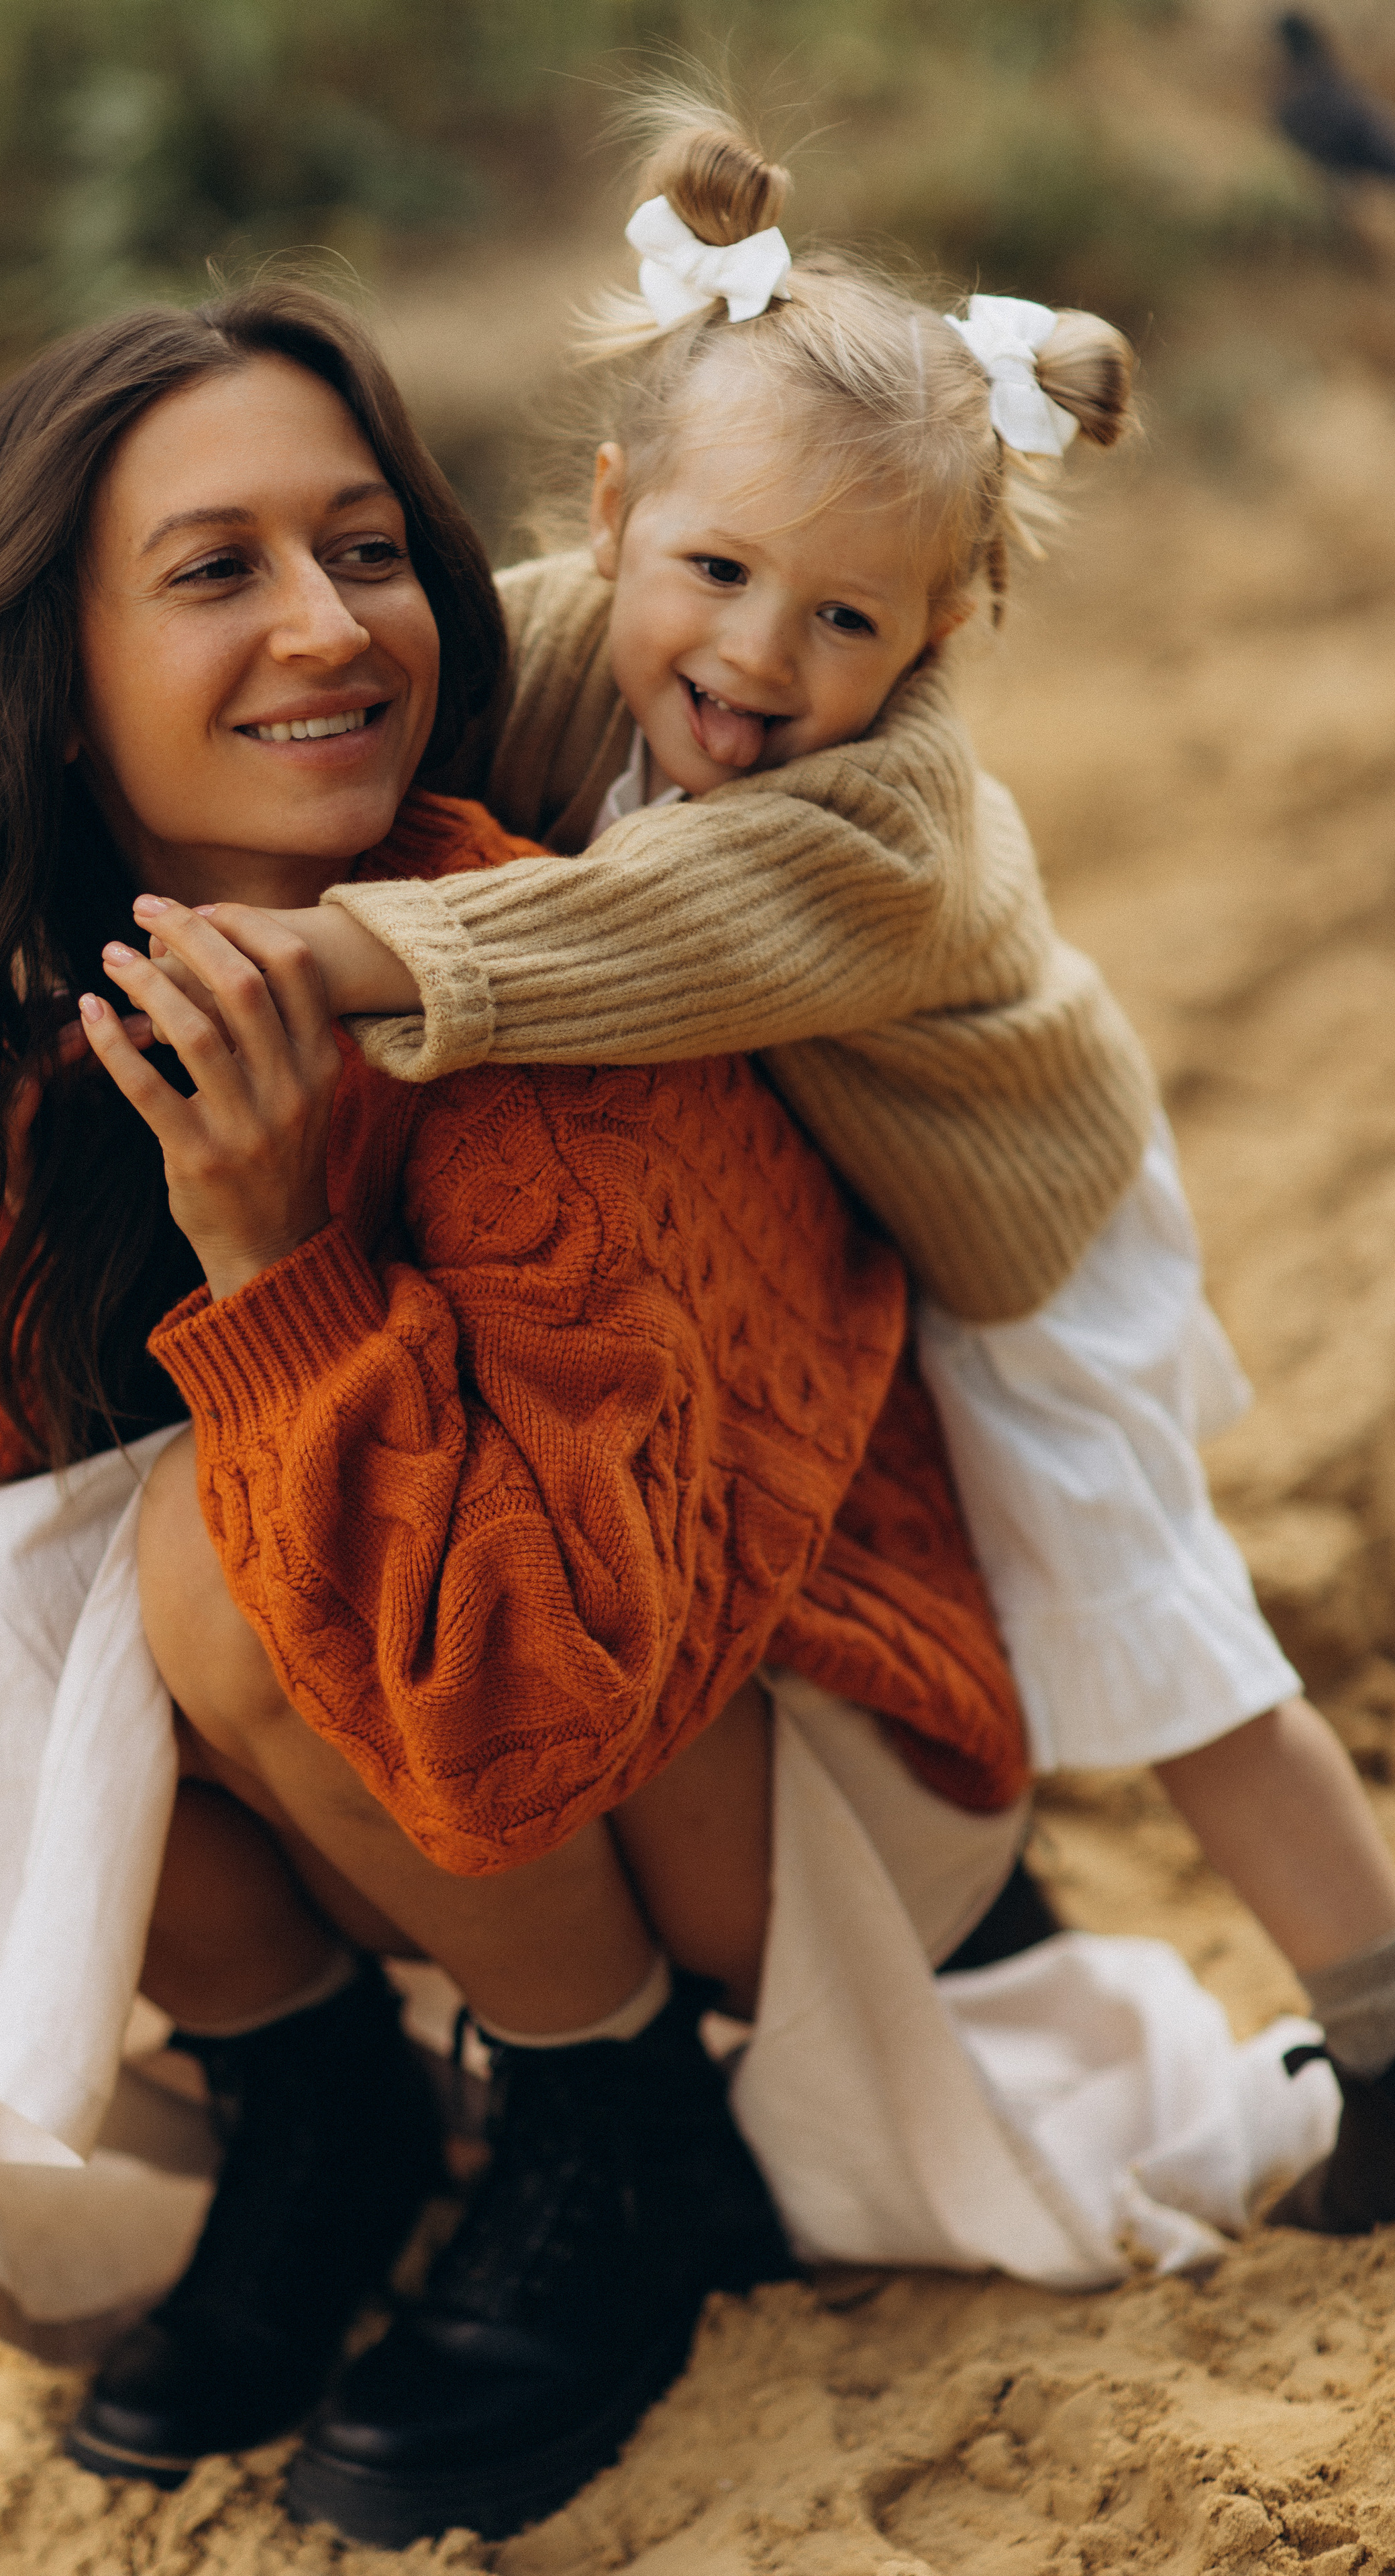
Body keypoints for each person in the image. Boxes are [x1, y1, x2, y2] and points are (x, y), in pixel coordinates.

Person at [0, 281, 1041, 2548]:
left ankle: (610, 2138)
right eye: (218, 568)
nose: (329, 627)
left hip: (798, 1764)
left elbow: (532, 1689)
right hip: (492, 1728)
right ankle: (325, 2114)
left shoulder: (541, 974)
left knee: (202, 1559)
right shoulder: (61, 980)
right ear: (51, 680)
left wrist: (270, 1262)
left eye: (363, 549)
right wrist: (66, 1146)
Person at [272, 102, 1395, 2242]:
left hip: (1031, 1241)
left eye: (850, 621)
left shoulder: (876, 830)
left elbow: (613, 940)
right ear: (613, 519)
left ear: (947, 633)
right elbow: (413, 716)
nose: (763, 663)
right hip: (853, 1220)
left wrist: (317, 953)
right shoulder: (554, 643)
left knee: (1151, 1625)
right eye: (716, 573)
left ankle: (1388, 2022)